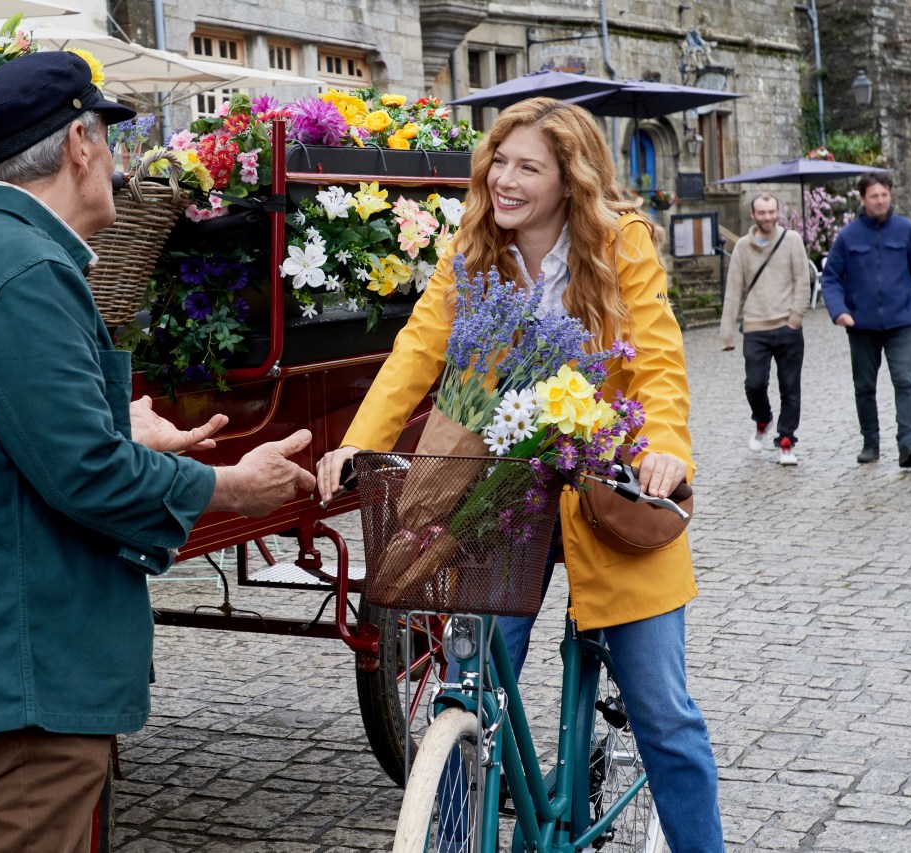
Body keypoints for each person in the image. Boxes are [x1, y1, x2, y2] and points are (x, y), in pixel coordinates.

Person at [0, 51, 315, 853]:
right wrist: (231, 486)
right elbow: (85, 473)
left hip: (3, 667)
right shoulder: (23, 269)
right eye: (108, 141)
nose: (115, 163)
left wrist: (122, 425)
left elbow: (16, 442)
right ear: (80, 144)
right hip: (25, 682)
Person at [317, 98, 724, 852]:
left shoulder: (621, 242)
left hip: (613, 489)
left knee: (665, 715)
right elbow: (416, 351)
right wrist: (358, 443)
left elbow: (661, 362)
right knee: (469, 677)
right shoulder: (473, 251)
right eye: (497, 162)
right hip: (506, 498)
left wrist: (665, 448)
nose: (503, 179)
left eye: (526, 167)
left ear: (569, 179)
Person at [820, 172, 911, 467]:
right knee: (864, 386)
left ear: (891, 195)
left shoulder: (906, 230)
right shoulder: (849, 236)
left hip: (900, 322)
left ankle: (907, 444)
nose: (880, 201)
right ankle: (870, 443)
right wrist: (839, 311)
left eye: (885, 195)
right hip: (860, 325)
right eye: (874, 196)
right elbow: (831, 278)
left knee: (904, 381)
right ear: (863, 199)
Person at [718, 192, 810, 465]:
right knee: (755, 384)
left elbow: (802, 281)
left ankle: (786, 441)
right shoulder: (743, 248)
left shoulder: (792, 240)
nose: (768, 217)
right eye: (762, 212)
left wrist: (795, 318)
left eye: (772, 212)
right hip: (755, 327)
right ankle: (763, 419)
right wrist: (727, 334)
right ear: (753, 215)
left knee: (790, 387)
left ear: (777, 212)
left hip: (787, 326)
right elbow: (733, 290)